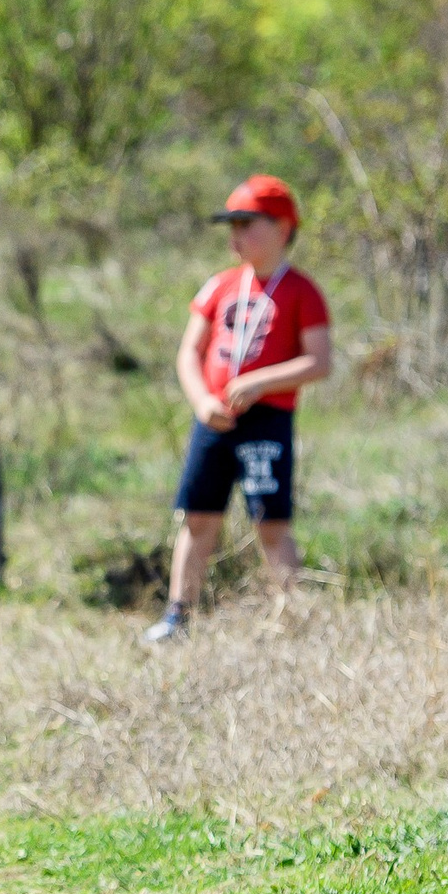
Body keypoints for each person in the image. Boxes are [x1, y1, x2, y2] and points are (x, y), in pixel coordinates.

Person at [145, 174, 334, 644]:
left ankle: (292, 621)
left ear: (283, 227)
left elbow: (320, 360)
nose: (236, 235)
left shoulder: (302, 291)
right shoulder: (219, 286)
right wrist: (203, 400)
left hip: (266, 419)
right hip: (214, 419)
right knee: (198, 517)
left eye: (248, 224)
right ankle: (177, 616)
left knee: (271, 522)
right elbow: (189, 352)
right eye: (232, 224)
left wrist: (258, 383)